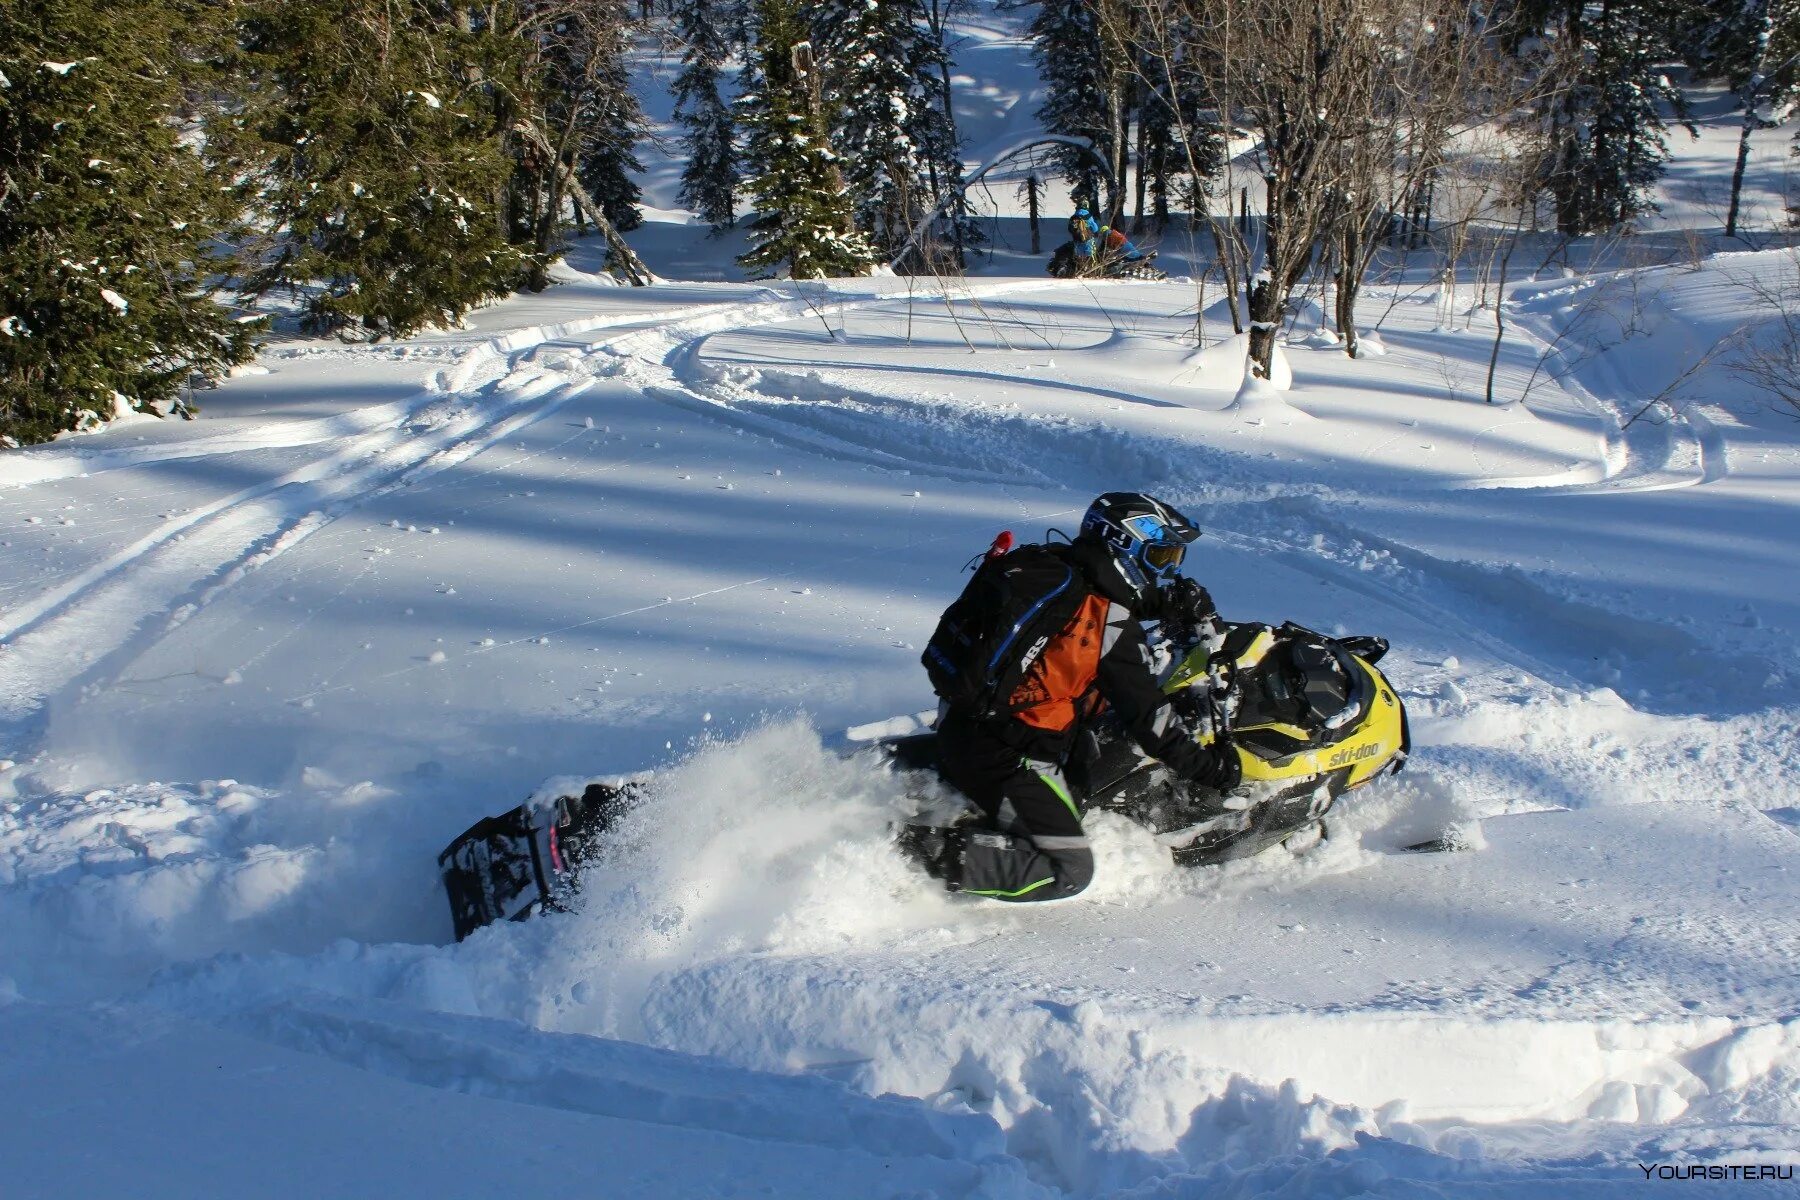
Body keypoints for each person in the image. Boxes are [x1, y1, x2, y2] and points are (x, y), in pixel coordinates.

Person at [918, 493, 1241, 902]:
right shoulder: (1111, 625)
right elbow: (1151, 724)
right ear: (1125, 547)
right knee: (1068, 870)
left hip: (961, 721)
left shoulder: (1056, 563)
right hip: (1007, 756)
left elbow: (1093, 609)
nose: (1169, 569)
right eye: (1161, 557)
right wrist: (1214, 769)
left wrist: (1173, 603)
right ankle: (912, 854)